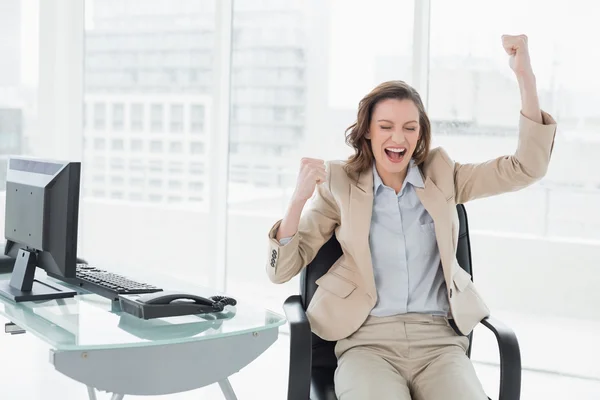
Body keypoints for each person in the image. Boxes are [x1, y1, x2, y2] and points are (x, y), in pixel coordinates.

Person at [266, 34, 557, 400]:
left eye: (409, 127)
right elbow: (280, 269)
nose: (397, 138)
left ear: (420, 135)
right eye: (386, 126)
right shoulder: (339, 185)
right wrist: (297, 200)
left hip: (439, 344)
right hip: (367, 343)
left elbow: (526, 167)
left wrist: (525, 76)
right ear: (368, 131)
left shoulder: (444, 175)